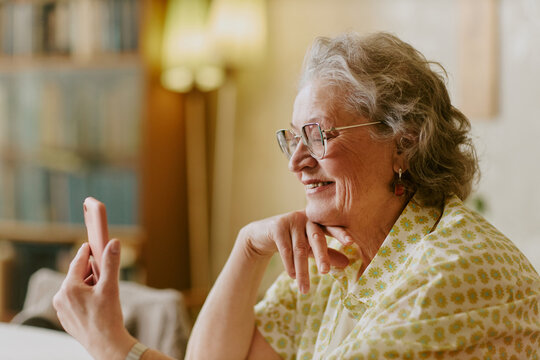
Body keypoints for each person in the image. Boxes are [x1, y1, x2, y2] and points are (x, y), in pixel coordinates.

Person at [53, 32, 540, 359]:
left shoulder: (456, 266)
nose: (297, 161)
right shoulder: (341, 254)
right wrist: (248, 247)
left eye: (319, 135)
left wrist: (111, 344)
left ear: (404, 142)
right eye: (293, 138)